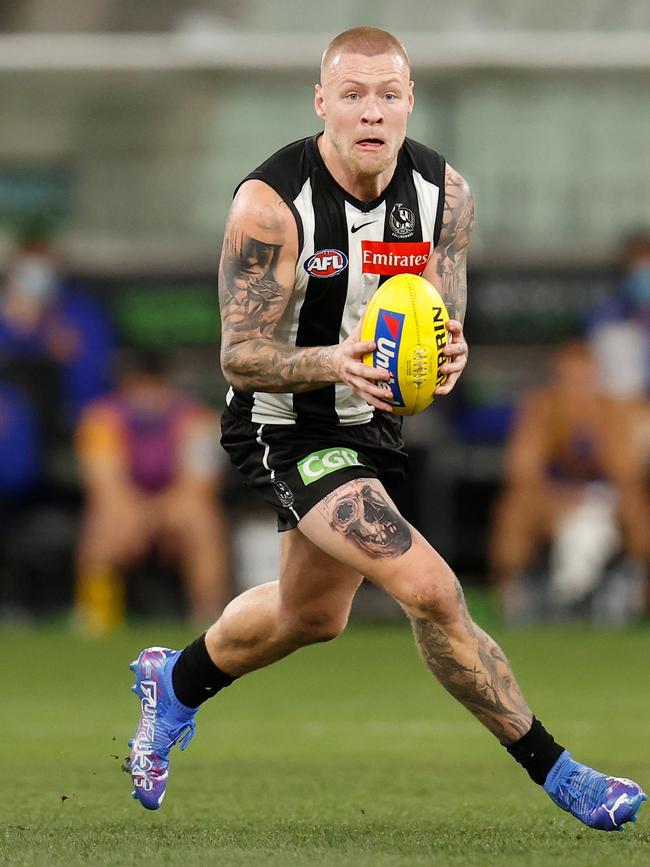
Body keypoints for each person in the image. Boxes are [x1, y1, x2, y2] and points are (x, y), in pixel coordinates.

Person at [126, 27, 646, 829]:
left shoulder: (447, 196)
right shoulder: (270, 205)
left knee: (313, 615)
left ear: (410, 101)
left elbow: (443, 315)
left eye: (389, 94)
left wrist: (449, 352)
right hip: (285, 425)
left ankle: (176, 681)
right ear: (322, 102)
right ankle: (563, 773)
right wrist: (336, 360)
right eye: (353, 93)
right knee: (432, 588)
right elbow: (237, 356)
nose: (372, 111)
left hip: (369, 422)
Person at [489, 340, 650, 620]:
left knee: (636, 501)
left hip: (607, 500)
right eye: (570, 380)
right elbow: (521, 470)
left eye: (585, 379)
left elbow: (627, 472)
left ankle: (640, 593)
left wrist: (596, 427)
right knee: (517, 503)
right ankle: (511, 592)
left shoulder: (614, 410)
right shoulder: (541, 408)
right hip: (554, 500)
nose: (578, 388)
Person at [75, 349, 230, 634]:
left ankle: (208, 613)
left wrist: (158, 514)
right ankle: (96, 617)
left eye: (154, 386)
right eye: (139, 386)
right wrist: (137, 515)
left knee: (201, 520)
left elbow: (200, 484)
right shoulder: (101, 419)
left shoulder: (196, 419)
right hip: (126, 509)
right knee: (104, 522)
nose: (147, 395)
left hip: (176, 507)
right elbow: (105, 484)